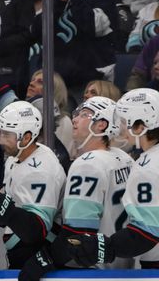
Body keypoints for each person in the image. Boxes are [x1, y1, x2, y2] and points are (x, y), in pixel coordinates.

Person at [18, 96, 134, 281]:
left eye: (85, 115)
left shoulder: (87, 165)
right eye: (77, 113)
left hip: (93, 272)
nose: (75, 119)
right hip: (125, 266)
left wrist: (44, 259)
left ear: (101, 125)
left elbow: (78, 234)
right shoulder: (123, 158)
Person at [64, 89, 159, 270]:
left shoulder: (148, 167)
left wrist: (106, 247)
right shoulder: (131, 158)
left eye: (123, 121)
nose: (120, 127)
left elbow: (148, 231)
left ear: (140, 127)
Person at [0, 101, 66, 268]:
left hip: (37, 258)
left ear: (27, 137)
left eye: (7, 134)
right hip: (20, 249)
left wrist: (0, 207)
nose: (0, 140)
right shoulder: (16, 157)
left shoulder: (40, 172)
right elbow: (13, 201)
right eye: (0, 132)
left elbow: (37, 230)